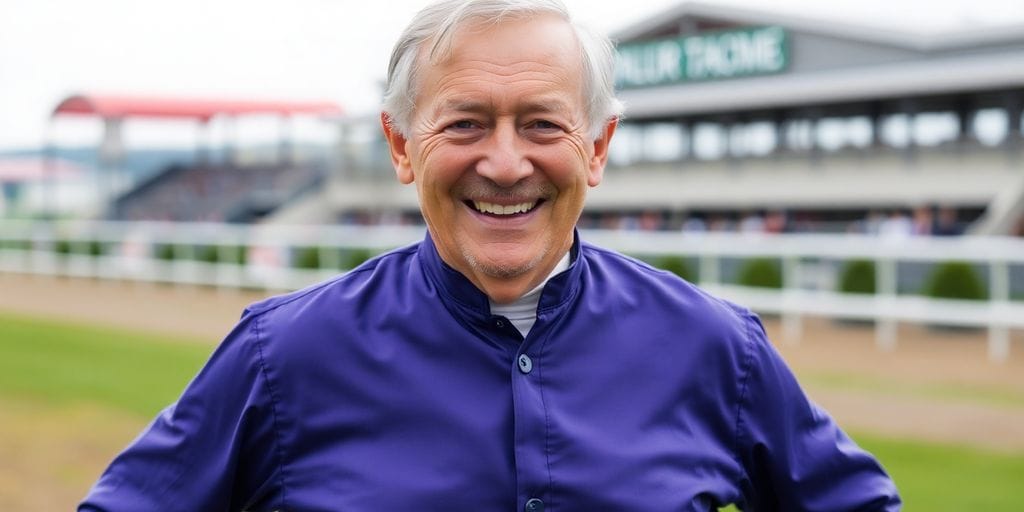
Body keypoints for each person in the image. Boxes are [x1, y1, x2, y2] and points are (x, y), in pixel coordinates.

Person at [80, 0, 900, 510]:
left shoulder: (720, 348)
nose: (505, 164)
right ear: (401, 147)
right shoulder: (279, 356)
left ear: (597, 146)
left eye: (542, 124)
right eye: (465, 122)